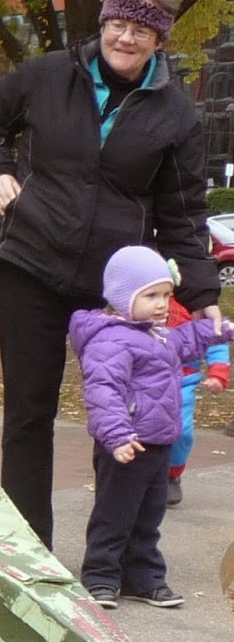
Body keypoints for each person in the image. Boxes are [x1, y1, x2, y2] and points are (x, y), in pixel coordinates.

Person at [0, 0, 220, 550]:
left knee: (123, 414)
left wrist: (203, 296)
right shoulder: (45, 76)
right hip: (28, 262)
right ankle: (29, 552)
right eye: (117, 24)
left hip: (115, 287)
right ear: (103, 23)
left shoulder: (176, 117)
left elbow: (183, 213)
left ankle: (109, 559)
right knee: (29, 411)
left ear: (161, 40)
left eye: (140, 30)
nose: (124, 39)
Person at [69, 245, 232, 609]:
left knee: (149, 515)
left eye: (166, 295)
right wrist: (117, 436)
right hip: (127, 442)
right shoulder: (109, 340)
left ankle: (143, 578)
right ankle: (100, 577)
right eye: (151, 296)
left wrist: (221, 331)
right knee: (115, 514)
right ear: (123, 297)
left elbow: (186, 339)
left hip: (158, 441)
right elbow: (103, 392)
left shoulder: (155, 333)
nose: (162, 304)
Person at [165, 294, 228, 506]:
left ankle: (172, 474)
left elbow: (215, 338)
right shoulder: (146, 295)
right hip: (145, 380)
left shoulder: (197, 298)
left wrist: (218, 373)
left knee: (181, 430)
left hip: (184, 380)